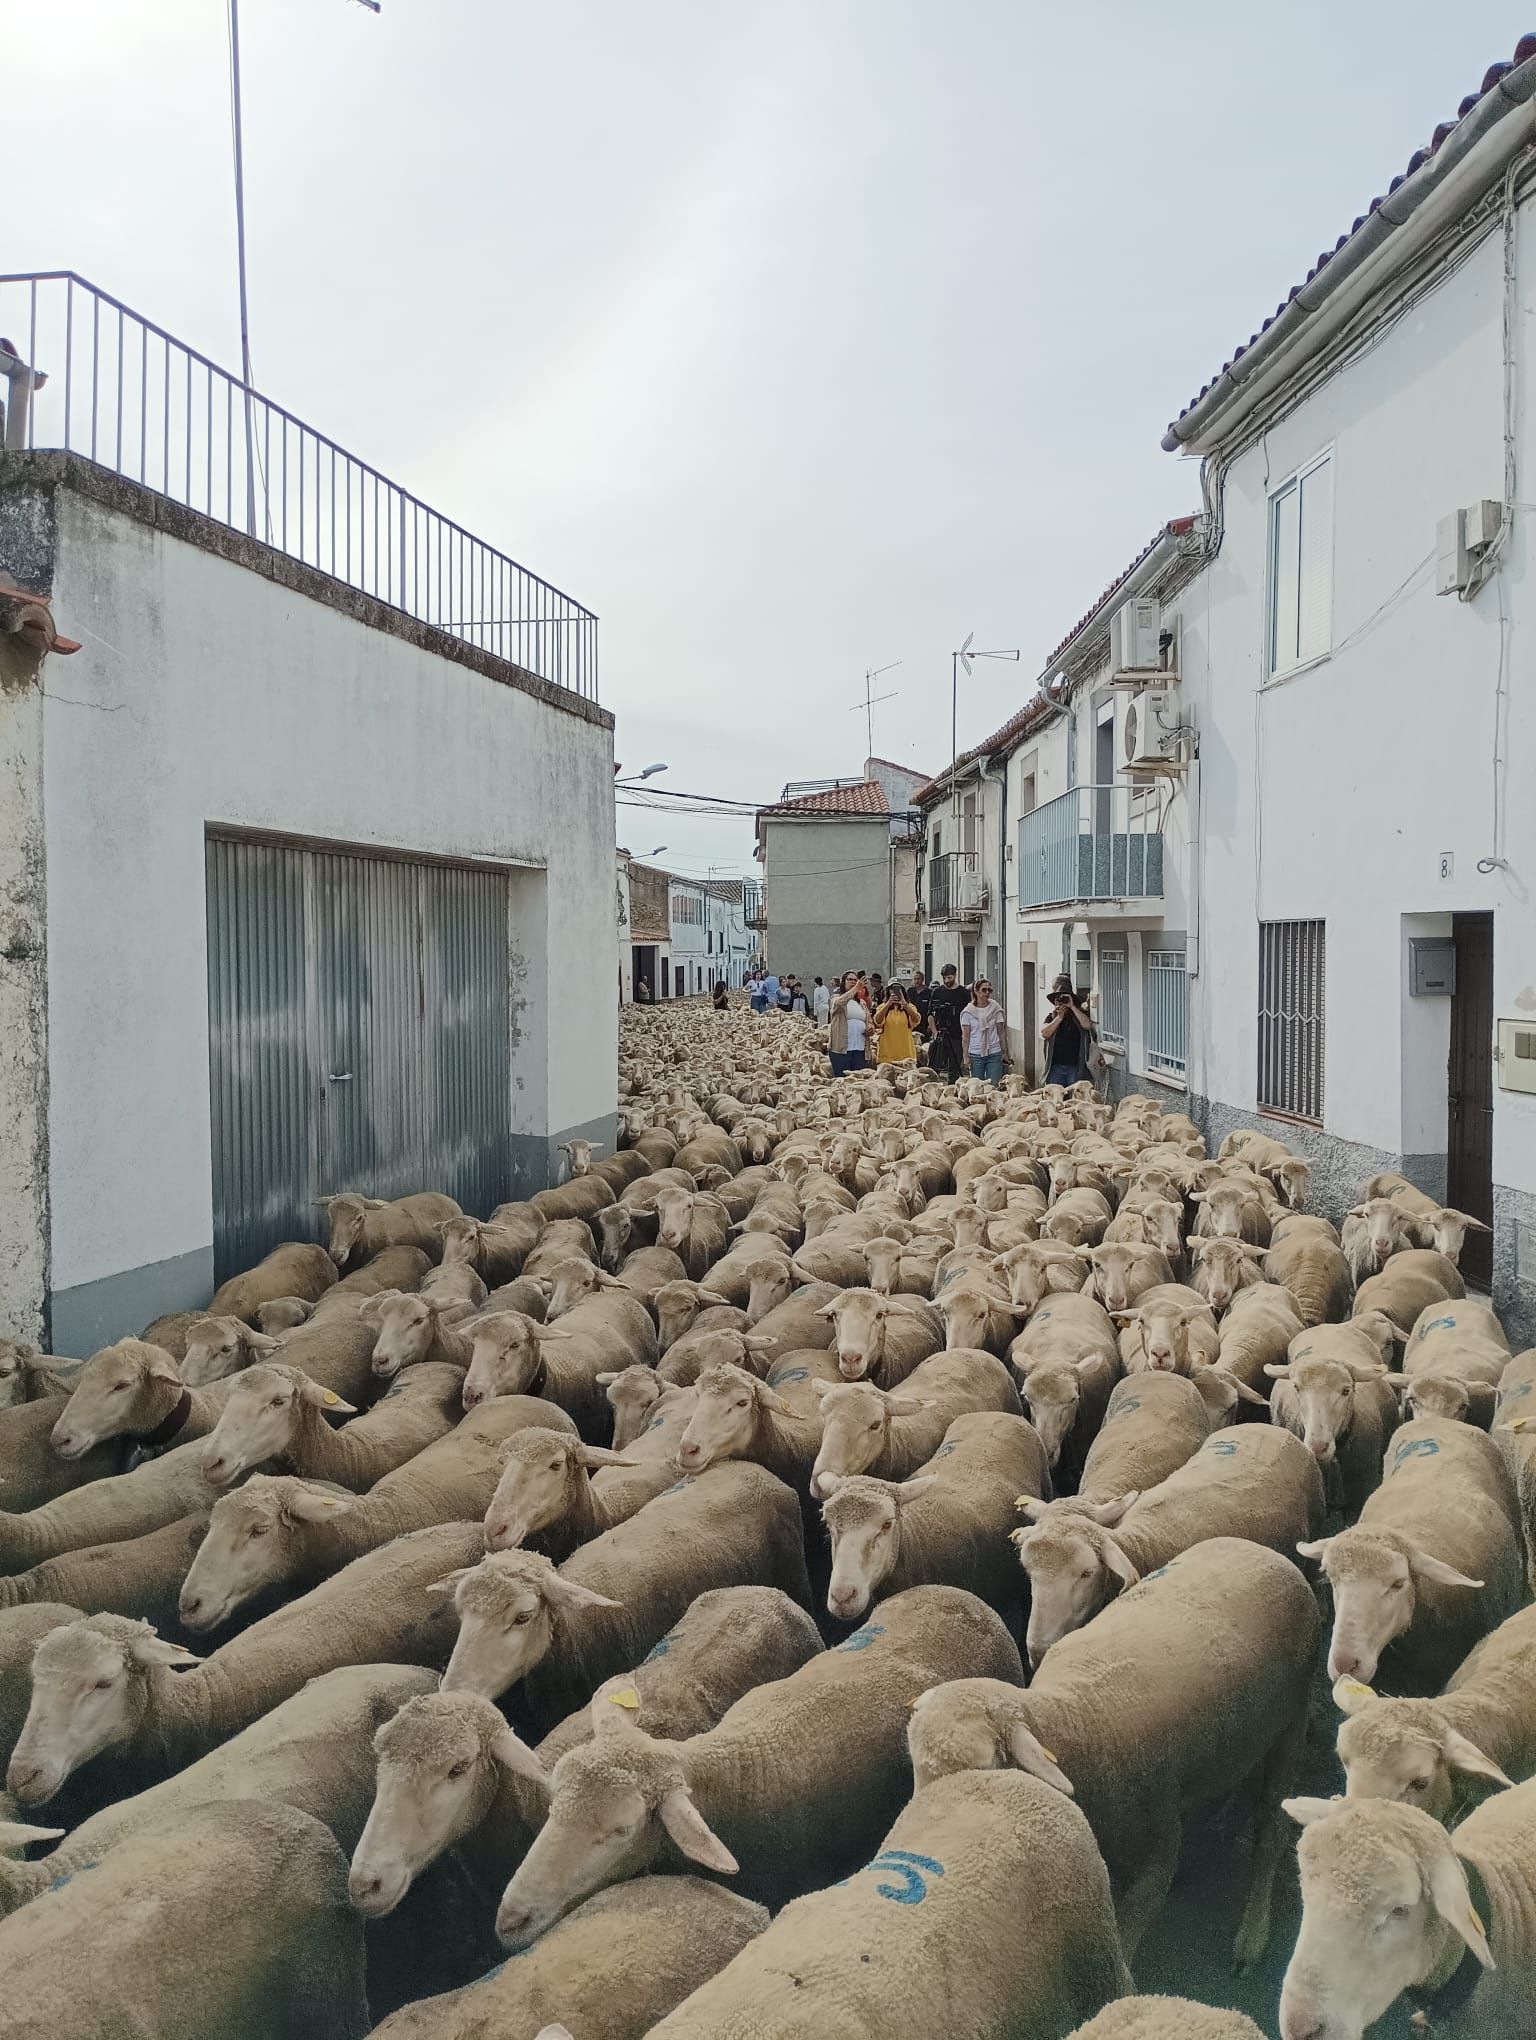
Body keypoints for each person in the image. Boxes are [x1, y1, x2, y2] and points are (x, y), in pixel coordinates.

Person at [1040, 974, 1094, 1085]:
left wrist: (1072, 1007)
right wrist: (1059, 1017)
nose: (1061, 1002)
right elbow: (1045, 1033)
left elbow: (1087, 1025)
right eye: (1058, 1000)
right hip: (1055, 1067)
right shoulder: (1052, 1017)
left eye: (1063, 999)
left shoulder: (1077, 1016)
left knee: (1074, 1099)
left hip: (1075, 1067)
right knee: (1055, 1099)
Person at [927, 963, 967, 1081]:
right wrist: (934, 1031)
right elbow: (930, 1014)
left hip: (956, 1034)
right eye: (944, 978)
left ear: (955, 976)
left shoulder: (963, 993)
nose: (946, 980)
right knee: (934, 1066)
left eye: (949, 977)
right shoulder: (937, 992)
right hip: (939, 1034)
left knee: (954, 1068)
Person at [828, 970, 867, 1077]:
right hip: (841, 1048)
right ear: (843, 982)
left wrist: (870, 1028)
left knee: (858, 1081)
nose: (853, 982)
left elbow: (868, 1020)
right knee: (842, 1080)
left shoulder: (861, 1003)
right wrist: (856, 989)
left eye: (855, 980)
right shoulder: (836, 998)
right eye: (850, 979)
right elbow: (839, 1003)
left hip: (859, 1048)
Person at [873, 985, 919, 1065]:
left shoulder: (910, 1006)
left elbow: (916, 1020)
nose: (894, 992)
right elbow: (877, 1021)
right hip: (887, 1056)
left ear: (902, 992)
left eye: (898, 988)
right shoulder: (882, 1007)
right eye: (891, 989)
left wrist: (905, 1004)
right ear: (888, 991)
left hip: (906, 1056)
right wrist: (888, 1004)